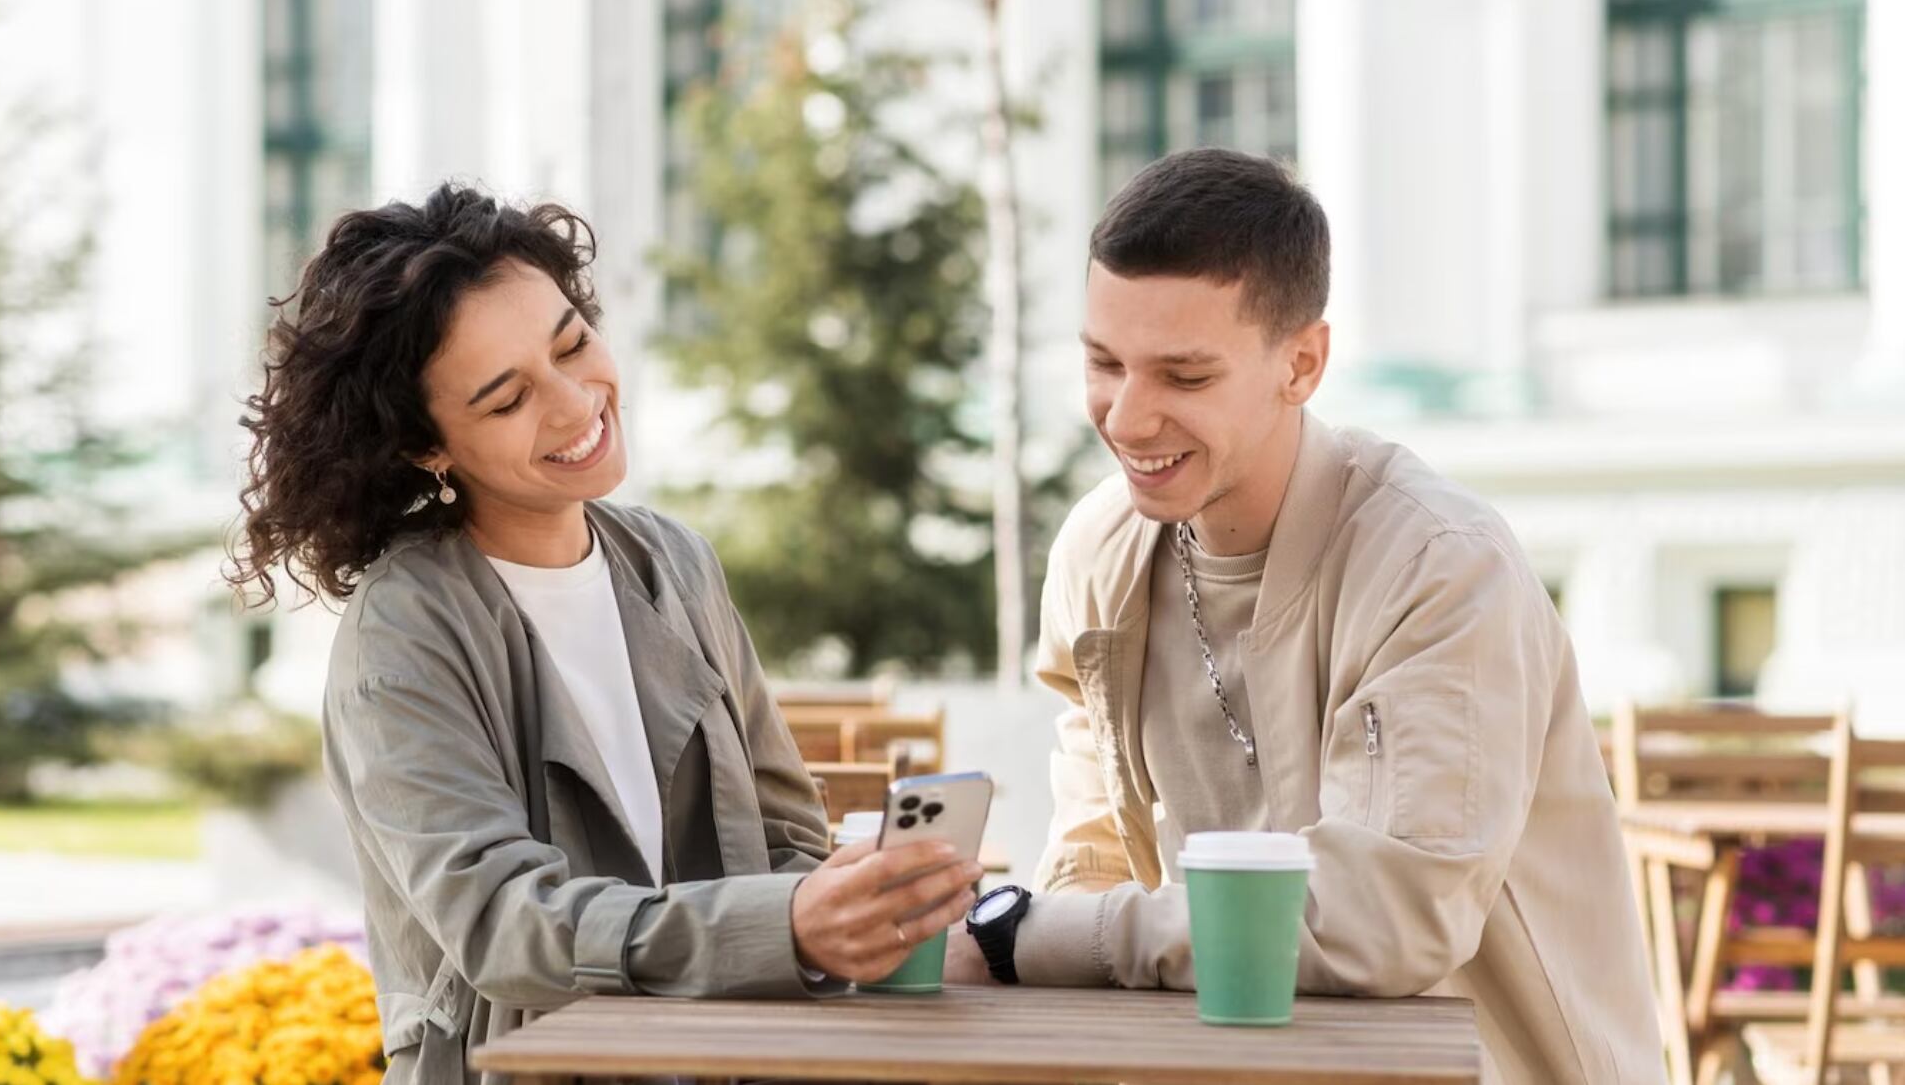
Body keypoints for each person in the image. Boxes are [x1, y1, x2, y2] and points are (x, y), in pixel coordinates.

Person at [229, 184, 979, 1084]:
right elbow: (502, 923)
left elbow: (787, 837)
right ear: (428, 447)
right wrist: (780, 925)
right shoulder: (405, 632)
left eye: (573, 344)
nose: (575, 402)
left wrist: (855, 895)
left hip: (721, 1063)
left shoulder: (676, 564)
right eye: (507, 400)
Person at [946, 149, 1661, 1083]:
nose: (1126, 416)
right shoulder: (1100, 554)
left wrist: (1018, 934)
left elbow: (1382, 921)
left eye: (1184, 376)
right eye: (1103, 362)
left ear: (1302, 363)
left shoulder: (1437, 565)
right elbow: (1094, 862)